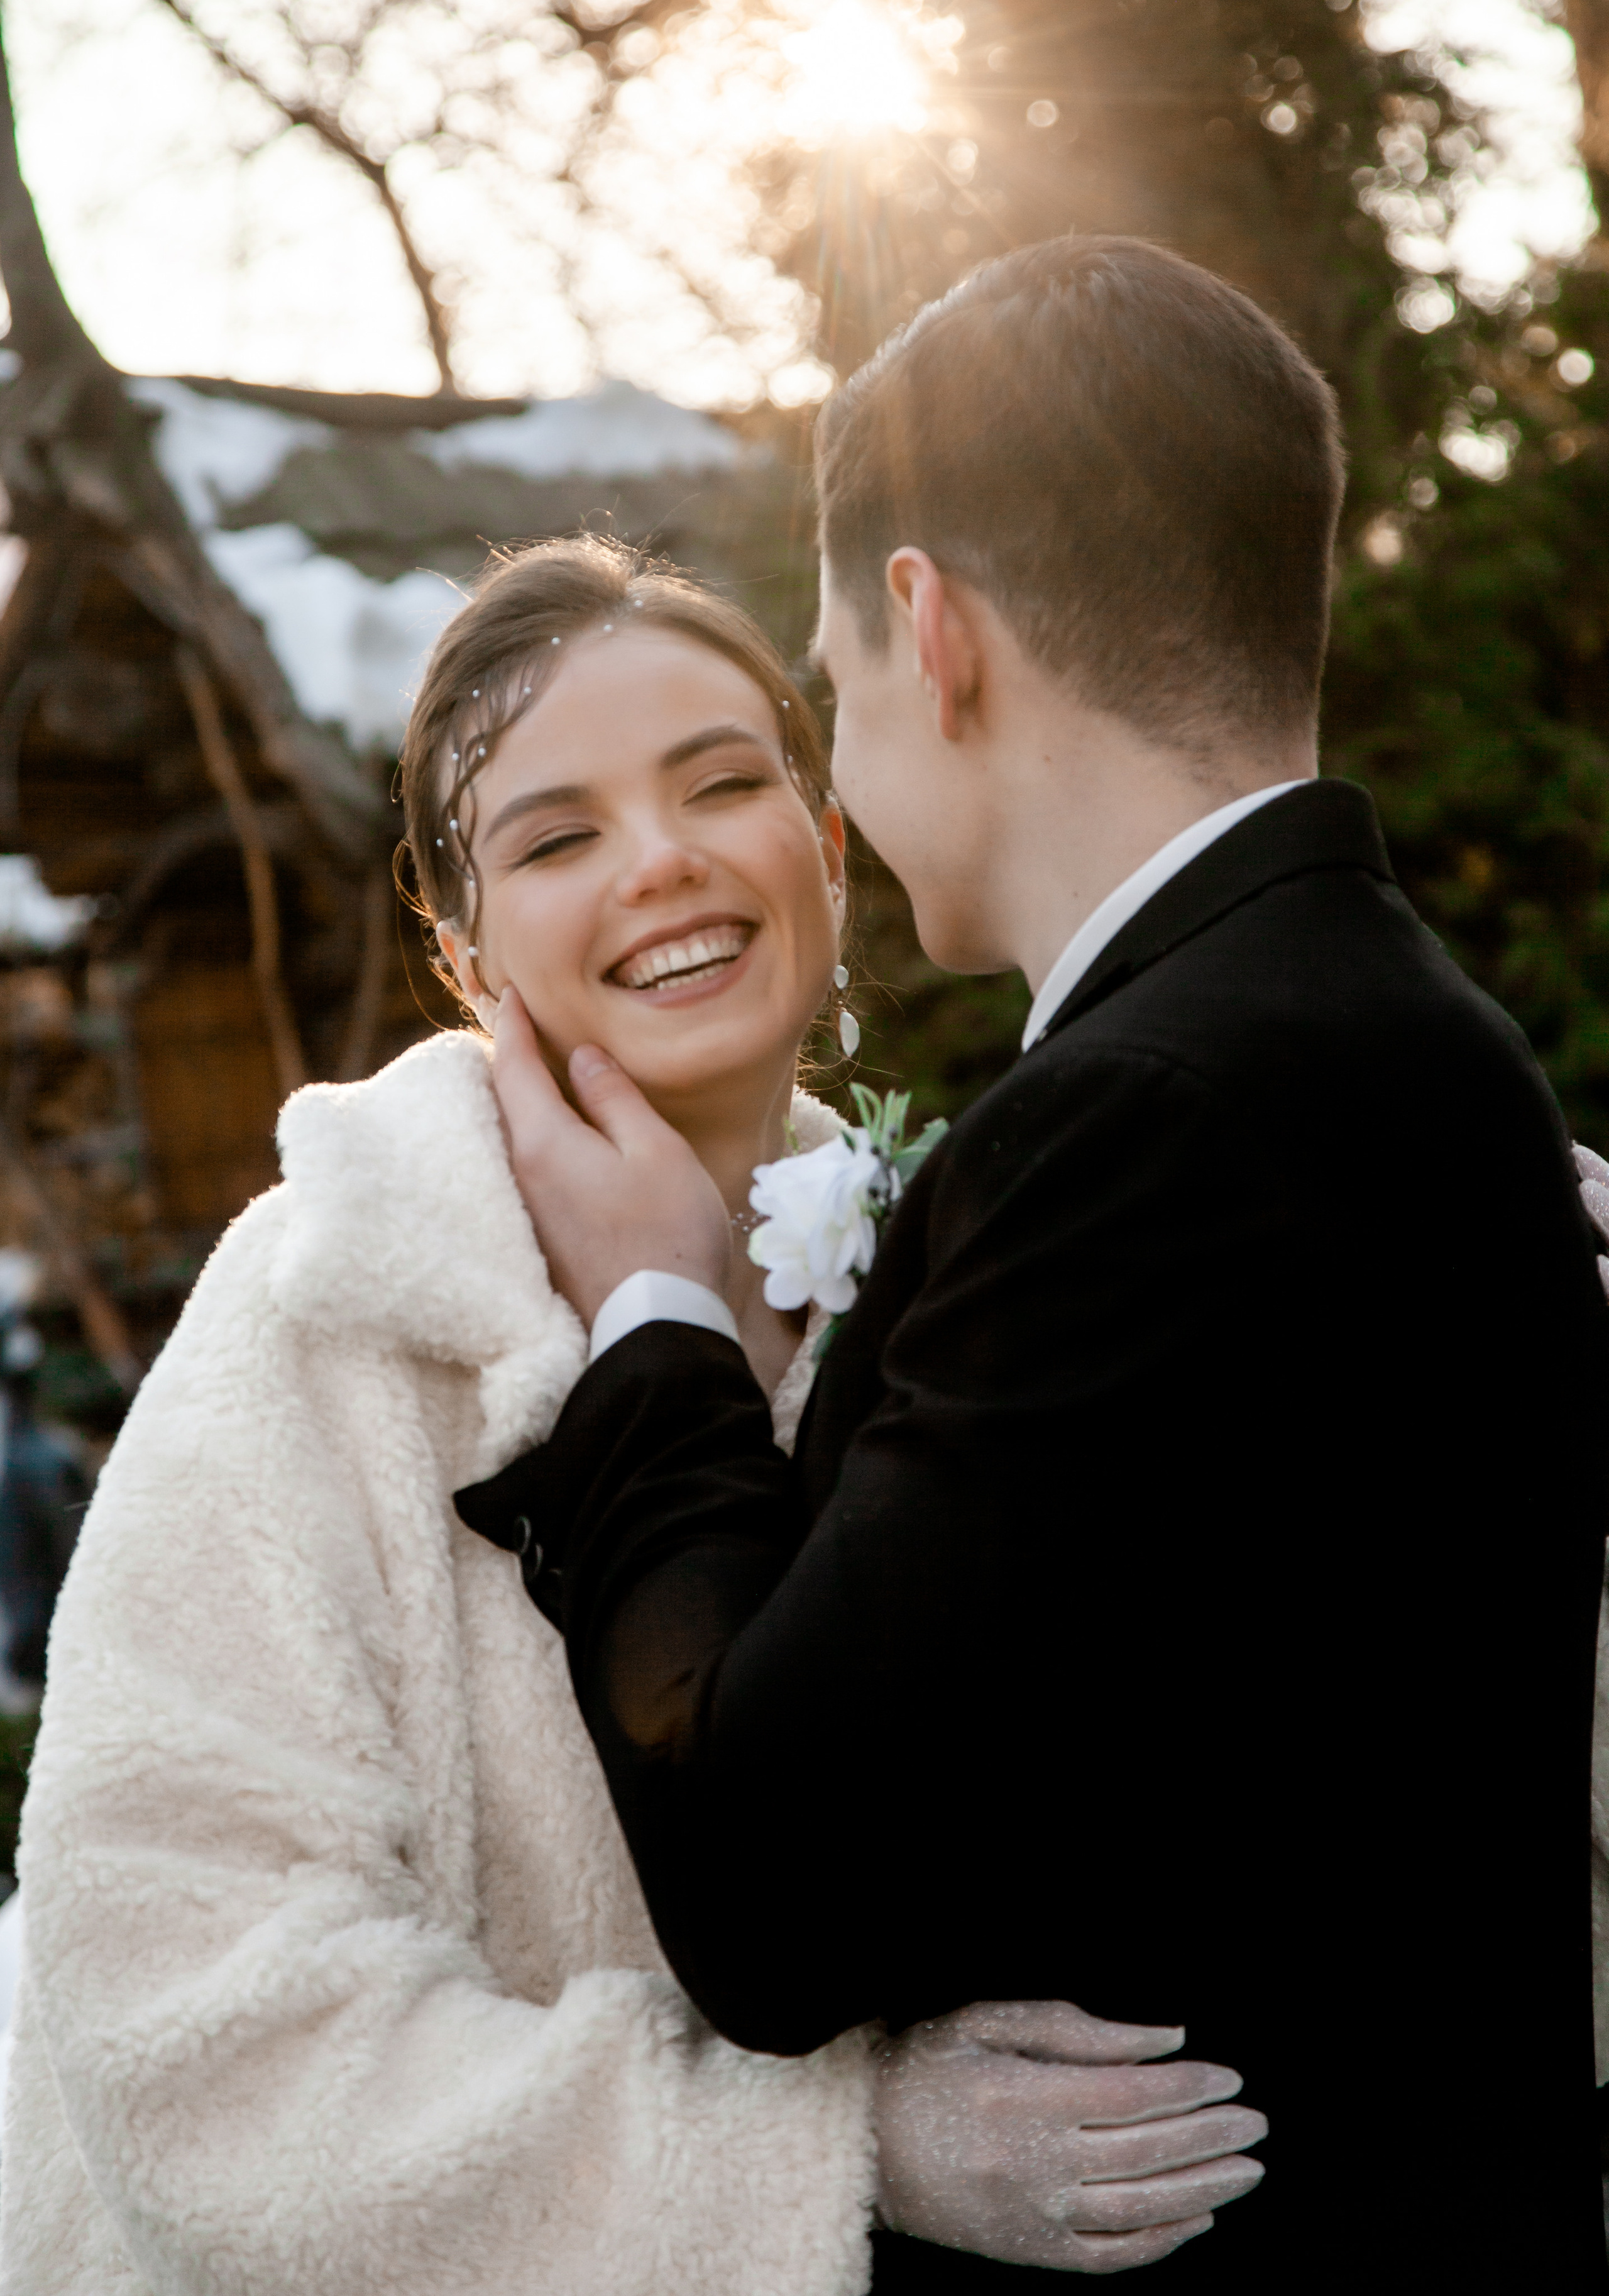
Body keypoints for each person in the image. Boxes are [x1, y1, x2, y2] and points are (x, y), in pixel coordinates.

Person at [455, 237, 1609, 2290]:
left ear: (933, 627)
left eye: (814, 699)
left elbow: (776, 1894)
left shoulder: (1144, 1120)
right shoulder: (1434, 1050)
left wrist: (651, 1314)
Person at [0, 537, 1268, 2294]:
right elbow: (195, 2035)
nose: (663, 861)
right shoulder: (329, 1318)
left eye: (723, 785)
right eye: (557, 834)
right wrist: (832, 2151)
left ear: (824, 849)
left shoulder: (978, 1281)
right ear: (464, 953)